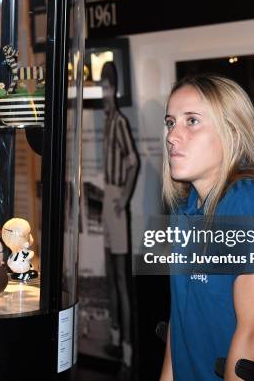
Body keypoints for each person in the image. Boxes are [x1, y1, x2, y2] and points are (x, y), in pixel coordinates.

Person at [159, 75, 254, 380]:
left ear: (233, 132)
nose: (173, 135)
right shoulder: (185, 208)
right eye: (171, 122)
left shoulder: (250, 205)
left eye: (192, 121)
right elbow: (181, 322)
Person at [100, 61, 139, 369]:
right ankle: (115, 340)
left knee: (121, 278)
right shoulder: (108, 118)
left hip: (115, 199)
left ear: (115, 89)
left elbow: (134, 161)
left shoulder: (120, 122)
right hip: (108, 196)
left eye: (107, 87)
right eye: (102, 87)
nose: (104, 93)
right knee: (111, 274)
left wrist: (123, 199)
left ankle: (126, 347)